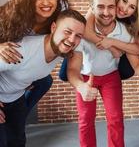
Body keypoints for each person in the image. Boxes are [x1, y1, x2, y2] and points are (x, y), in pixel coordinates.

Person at [67, 0, 139, 147]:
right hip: (86, 78)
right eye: (100, 7)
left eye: (110, 7)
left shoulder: (124, 32)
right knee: (85, 120)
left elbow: (137, 64)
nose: (106, 12)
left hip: (111, 78)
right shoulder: (82, 31)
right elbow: (73, 69)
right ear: (92, 7)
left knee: (116, 119)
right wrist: (81, 86)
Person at [0, 9, 86, 147]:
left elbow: (73, 69)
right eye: (67, 31)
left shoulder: (66, 46)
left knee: (17, 142)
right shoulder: (21, 50)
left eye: (78, 36)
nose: (72, 40)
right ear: (53, 28)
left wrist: (82, 86)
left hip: (16, 98)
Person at [0, 0, 69, 113]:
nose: (46, 3)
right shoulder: (9, 15)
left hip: (20, 73)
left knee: (44, 81)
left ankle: (20, 114)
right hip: (3, 71)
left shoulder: (57, 23)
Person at [59, 0, 139, 81]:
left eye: (132, 7)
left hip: (115, 48)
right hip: (93, 41)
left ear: (135, 11)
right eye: (124, 1)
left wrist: (113, 42)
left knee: (127, 72)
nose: (125, 8)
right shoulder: (102, 4)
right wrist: (112, 48)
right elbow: (85, 31)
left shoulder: (132, 22)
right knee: (64, 75)